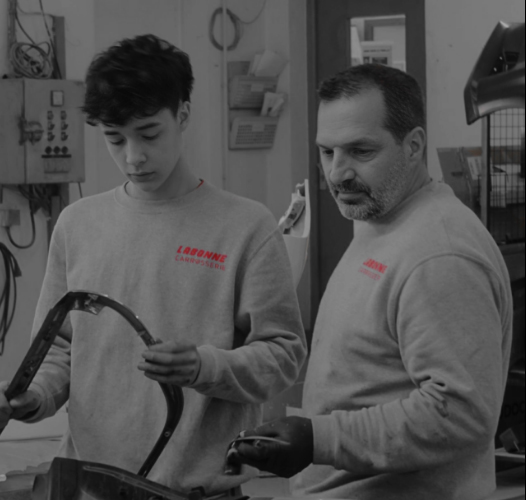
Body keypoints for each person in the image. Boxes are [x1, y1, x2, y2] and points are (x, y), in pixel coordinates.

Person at [0, 34, 307, 496]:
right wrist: (36, 396)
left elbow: (283, 357)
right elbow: (60, 349)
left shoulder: (246, 226)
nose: (133, 157)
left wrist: (205, 366)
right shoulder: (78, 225)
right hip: (88, 487)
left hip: (198, 490)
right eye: (114, 138)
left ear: (182, 114)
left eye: (149, 134)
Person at [230, 64, 513, 500]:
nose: (337, 173)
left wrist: (319, 438)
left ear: (413, 146)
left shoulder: (439, 254)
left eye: (360, 151)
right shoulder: (385, 220)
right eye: (327, 152)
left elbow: (461, 414)